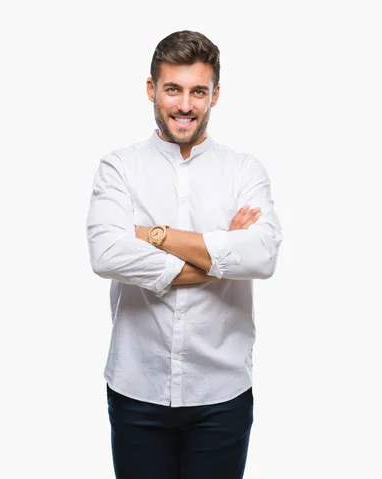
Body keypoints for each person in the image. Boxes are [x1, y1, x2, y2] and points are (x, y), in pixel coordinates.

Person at [85, 30, 283, 479]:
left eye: (198, 91)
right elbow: (107, 253)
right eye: (173, 89)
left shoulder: (244, 171)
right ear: (152, 89)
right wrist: (219, 254)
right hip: (137, 388)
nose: (185, 105)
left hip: (222, 394)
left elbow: (262, 256)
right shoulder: (119, 167)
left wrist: (151, 235)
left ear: (215, 94)